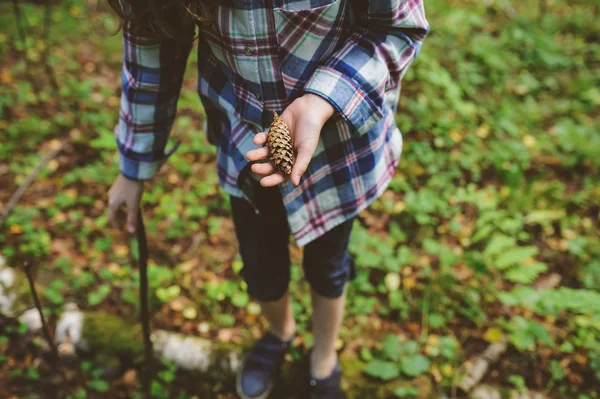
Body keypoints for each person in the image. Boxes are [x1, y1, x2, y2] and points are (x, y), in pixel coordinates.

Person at [107, 1, 428, 398]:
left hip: (339, 150)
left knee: (328, 265)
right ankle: (281, 333)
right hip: (248, 149)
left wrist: (324, 97)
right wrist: (134, 164)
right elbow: (152, 50)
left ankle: (323, 359)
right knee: (261, 267)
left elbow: (398, 28)